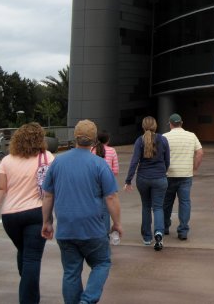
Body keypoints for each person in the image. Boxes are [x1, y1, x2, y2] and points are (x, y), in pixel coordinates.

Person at [41, 119, 123, 304]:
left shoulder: (58, 162)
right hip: (92, 229)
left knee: (71, 272)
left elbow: (47, 196)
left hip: (66, 229)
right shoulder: (100, 164)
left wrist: (46, 222)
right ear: (95, 140)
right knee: (102, 263)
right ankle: (87, 300)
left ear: (74, 137)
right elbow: (111, 198)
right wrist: (117, 223)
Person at [0, 122, 54, 303]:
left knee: (23, 251)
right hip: (36, 213)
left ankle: (30, 291)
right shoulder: (47, 157)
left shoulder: (7, 160)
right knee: (31, 259)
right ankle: (28, 298)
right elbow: (54, 188)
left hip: (10, 216)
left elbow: (0, 188)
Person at [124, 116, 170, 251]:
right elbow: (167, 160)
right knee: (158, 207)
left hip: (143, 178)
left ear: (143, 127)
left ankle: (147, 237)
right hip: (160, 178)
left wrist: (128, 180)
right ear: (155, 126)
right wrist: (163, 171)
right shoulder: (163, 139)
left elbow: (134, 161)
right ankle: (159, 233)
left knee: (146, 207)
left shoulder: (140, 140)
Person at [162, 113, 203, 240]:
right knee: (184, 202)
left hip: (169, 175)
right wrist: (194, 167)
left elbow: (159, 155)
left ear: (170, 124)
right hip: (186, 174)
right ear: (182, 123)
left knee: (167, 202)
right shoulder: (191, 136)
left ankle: (165, 227)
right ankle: (183, 230)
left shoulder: (165, 137)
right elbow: (200, 152)